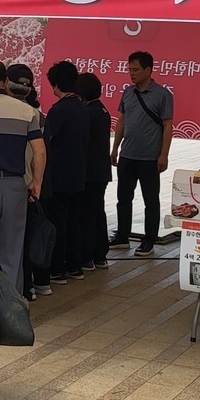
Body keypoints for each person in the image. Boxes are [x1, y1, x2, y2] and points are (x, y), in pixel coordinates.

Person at [0, 60, 46, 298]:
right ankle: (12, 304)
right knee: (13, 249)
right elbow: (39, 151)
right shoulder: (26, 111)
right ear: (6, 81)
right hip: (15, 186)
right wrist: (36, 182)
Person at [113, 51, 174, 256]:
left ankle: (149, 240)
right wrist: (115, 148)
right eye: (130, 69)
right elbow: (121, 121)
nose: (132, 73)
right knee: (123, 198)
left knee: (151, 200)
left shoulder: (162, 95)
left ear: (148, 70)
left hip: (149, 157)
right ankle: (122, 236)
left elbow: (167, 126)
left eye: (136, 69)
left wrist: (163, 154)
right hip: (127, 155)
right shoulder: (128, 93)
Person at [44, 60, 91, 282]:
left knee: (57, 222)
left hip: (59, 176)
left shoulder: (59, 110)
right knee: (73, 221)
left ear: (56, 85)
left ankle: (57, 269)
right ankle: (75, 266)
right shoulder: (83, 108)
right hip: (78, 174)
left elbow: (47, 142)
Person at [76, 73, 112, 270]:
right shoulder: (102, 110)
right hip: (101, 169)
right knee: (98, 211)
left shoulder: (87, 112)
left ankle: (88, 255)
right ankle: (100, 254)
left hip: (89, 170)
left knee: (88, 213)